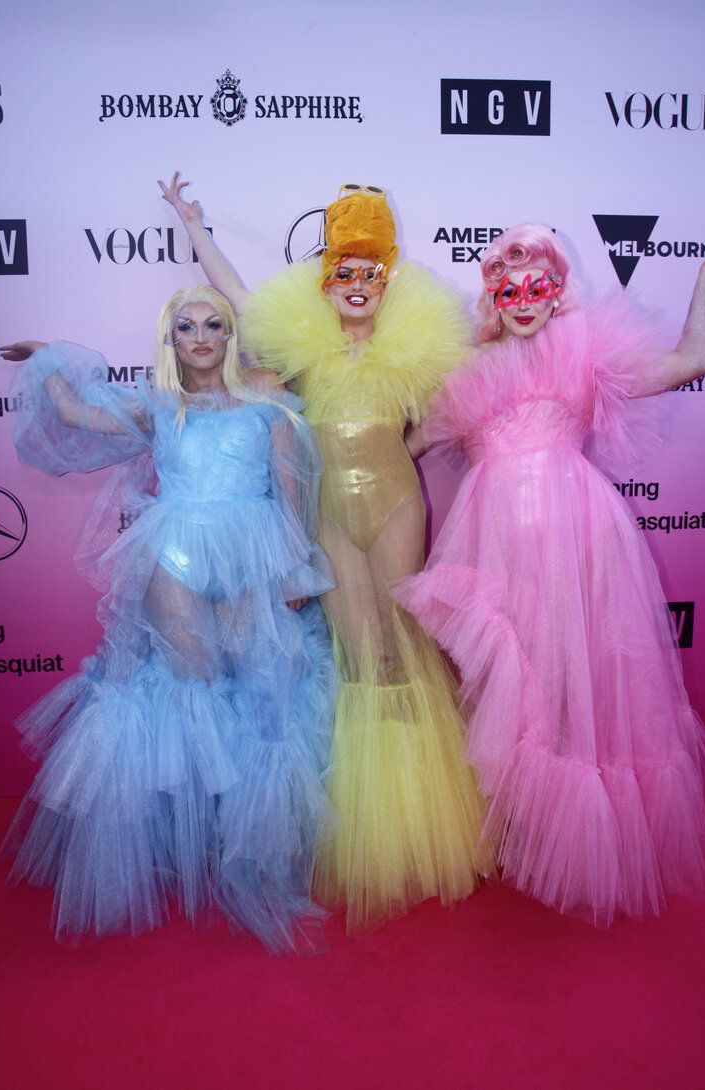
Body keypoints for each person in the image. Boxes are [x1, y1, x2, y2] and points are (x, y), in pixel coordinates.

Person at [159, 173, 489, 931]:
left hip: (397, 502)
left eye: (371, 273)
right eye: (344, 272)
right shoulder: (300, 343)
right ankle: (367, 830)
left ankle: (419, 825)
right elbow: (238, 295)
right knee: (357, 650)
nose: (358, 286)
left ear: (388, 281)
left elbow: (453, 407)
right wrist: (191, 222)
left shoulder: (421, 343)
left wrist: (402, 449)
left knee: (403, 646)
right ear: (325, 281)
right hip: (329, 513)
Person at [0, 285, 336, 952]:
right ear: (172, 339)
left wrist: (296, 568)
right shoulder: (159, 406)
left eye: (214, 324)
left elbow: (290, 490)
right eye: (188, 327)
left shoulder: (268, 406)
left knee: (255, 690)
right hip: (175, 552)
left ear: (231, 335)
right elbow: (72, 412)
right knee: (194, 688)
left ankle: (241, 846)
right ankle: (187, 846)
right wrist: (46, 359)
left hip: (252, 553)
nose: (202, 336)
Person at [394, 224, 705, 925]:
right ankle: (525, 825)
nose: (524, 298)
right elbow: (405, 447)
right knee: (520, 678)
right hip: (494, 545)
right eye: (509, 286)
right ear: (493, 299)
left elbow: (691, 360)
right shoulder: (465, 378)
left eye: (539, 283)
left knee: (579, 675)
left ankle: (578, 835)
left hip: (579, 537)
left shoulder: (586, 350)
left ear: (558, 290)